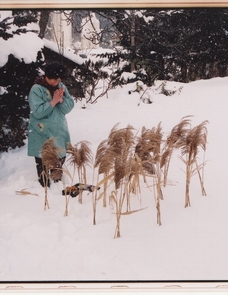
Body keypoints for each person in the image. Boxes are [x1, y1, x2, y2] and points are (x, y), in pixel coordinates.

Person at [27, 62, 75, 187]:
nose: (59, 81)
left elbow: (69, 107)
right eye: (56, 79)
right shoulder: (36, 89)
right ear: (48, 76)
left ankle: (57, 186)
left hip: (59, 130)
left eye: (60, 79)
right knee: (42, 160)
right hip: (41, 132)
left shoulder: (61, 86)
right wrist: (53, 102)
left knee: (60, 157)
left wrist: (61, 100)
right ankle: (44, 187)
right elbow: (37, 112)